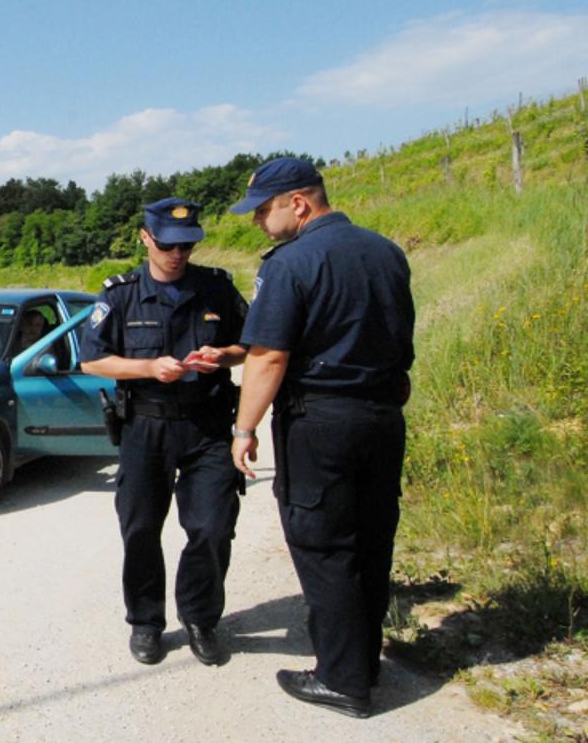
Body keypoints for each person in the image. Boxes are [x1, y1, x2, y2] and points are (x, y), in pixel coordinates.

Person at [228, 157, 414, 718]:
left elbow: (268, 356)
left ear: (299, 203)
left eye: (263, 209)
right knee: (371, 540)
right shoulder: (386, 251)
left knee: (325, 546)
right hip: (383, 418)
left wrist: (244, 428)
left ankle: (340, 679)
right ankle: (364, 662)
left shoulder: (291, 263)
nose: (258, 220)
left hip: (321, 423)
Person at [81, 197, 248, 667]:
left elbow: (251, 344)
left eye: (186, 246)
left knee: (212, 528)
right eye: (168, 245)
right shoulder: (120, 294)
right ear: (146, 238)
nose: (178, 254)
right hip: (146, 426)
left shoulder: (216, 288)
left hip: (207, 426)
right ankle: (146, 622)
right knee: (139, 529)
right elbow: (92, 360)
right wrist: (149, 367)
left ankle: (200, 618)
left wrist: (224, 356)